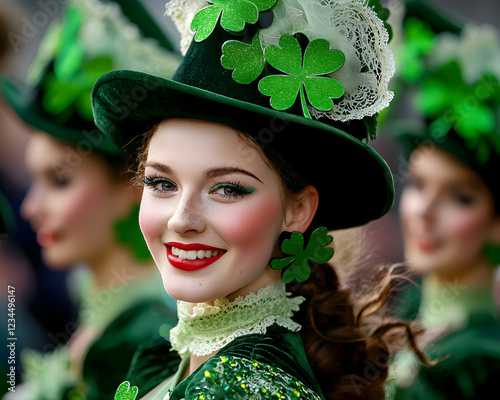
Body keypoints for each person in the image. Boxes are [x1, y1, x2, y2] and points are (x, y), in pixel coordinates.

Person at [92, 1, 425, 399]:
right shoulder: (177, 357)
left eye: (228, 188)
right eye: (162, 183)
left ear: (298, 210)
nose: (183, 219)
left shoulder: (244, 389)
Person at [1, 0, 182, 399]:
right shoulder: (101, 307)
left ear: (133, 188)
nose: (30, 208)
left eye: (60, 181)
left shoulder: (141, 335)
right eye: (33, 180)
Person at [385, 13, 500, 399]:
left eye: (460, 197)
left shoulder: (480, 363)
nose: (423, 211)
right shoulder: (404, 313)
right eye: (417, 184)